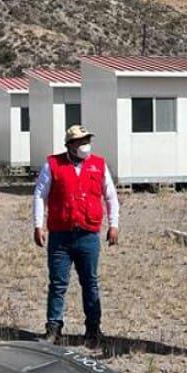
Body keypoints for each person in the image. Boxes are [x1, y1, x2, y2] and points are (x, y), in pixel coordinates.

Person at [33, 124, 120, 350]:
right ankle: (53, 327)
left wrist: (114, 224)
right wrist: (38, 225)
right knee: (58, 283)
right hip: (60, 234)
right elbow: (40, 195)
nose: (85, 145)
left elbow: (110, 196)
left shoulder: (98, 165)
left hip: (88, 234)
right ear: (70, 145)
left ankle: (93, 328)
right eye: (80, 142)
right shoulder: (52, 164)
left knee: (90, 282)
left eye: (87, 141)